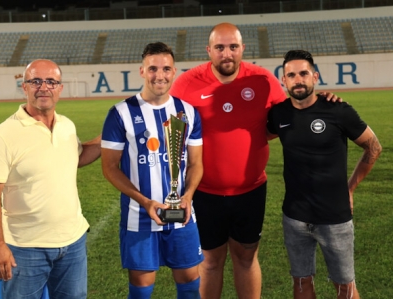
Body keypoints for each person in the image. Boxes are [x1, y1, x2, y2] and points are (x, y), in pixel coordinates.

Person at [170, 22, 341, 299]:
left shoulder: (262, 80)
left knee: (246, 258)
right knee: (210, 262)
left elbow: (288, 117)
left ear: (242, 49)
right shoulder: (187, 84)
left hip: (250, 190)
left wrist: (323, 102)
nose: (227, 54)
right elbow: (169, 128)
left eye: (233, 47)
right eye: (220, 48)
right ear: (208, 50)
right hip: (204, 191)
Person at [0, 59, 101, 299]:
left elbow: (77, 157)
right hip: (25, 247)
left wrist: (110, 133)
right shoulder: (3, 135)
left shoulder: (66, 125)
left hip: (72, 241)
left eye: (51, 81)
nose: (43, 87)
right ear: (24, 87)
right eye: (35, 81)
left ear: (60, 88)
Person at [266, 50, 382, 299]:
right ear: (284, 81)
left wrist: (350, 188)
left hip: (335, 217)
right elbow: (255, 137)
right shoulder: (279, 114)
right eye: (291, 75)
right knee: (300, 282)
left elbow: (373, 146)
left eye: (304, 73)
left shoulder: (337, 110)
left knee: (345, 287)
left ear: (315, 77)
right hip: (295, 217)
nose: (298, 80)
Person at [101, 42, 204, 299]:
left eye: (166, 69)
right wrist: (145, 201)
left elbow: (195, 163)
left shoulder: (188, 112)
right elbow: (110, 168)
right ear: (142, 71)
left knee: (190, 283)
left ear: (174, 71)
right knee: (141, 290)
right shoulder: (120, 113)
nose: (160, 75)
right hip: (140, 216)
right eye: (153, 68)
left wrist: (188, 195)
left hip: (181, 213)